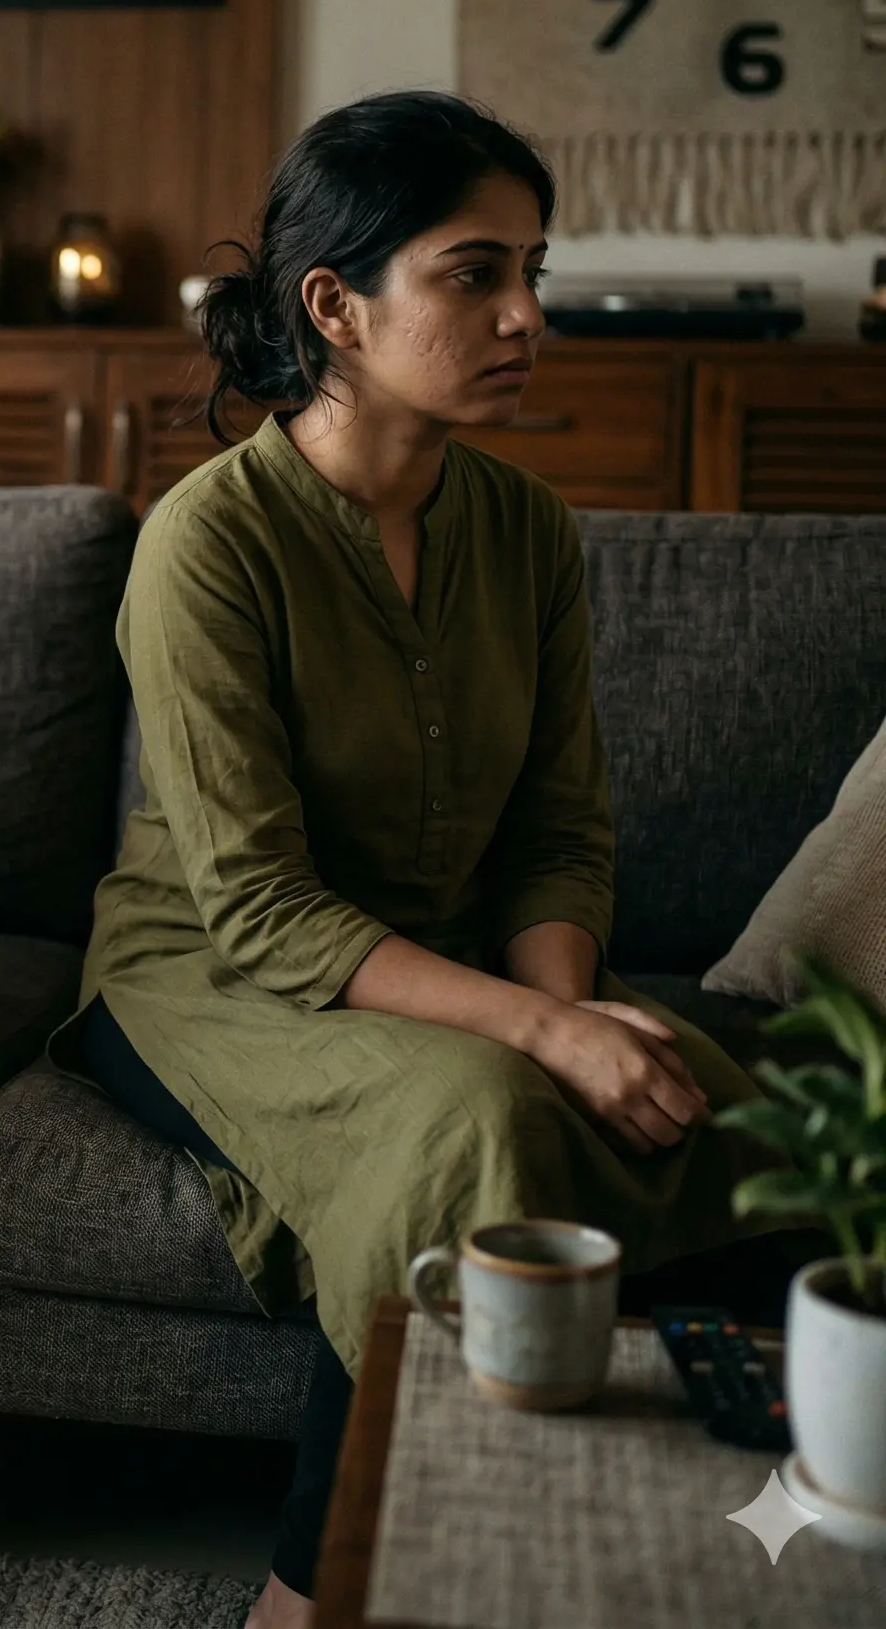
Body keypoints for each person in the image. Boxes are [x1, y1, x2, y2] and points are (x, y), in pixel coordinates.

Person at [49, 92, 827, 1629]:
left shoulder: (529, 531)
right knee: (474, 1114)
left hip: (454, 960)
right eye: (477, 274)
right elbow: (262, 912)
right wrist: (538, 1031)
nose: (529, 313)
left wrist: (582, 1013)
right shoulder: (207, 544)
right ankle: (316, 1593)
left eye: (534, 269)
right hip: (207, 974)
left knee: (772, 1134)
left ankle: (704, 1555)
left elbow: (556, 834)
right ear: (333, 306)